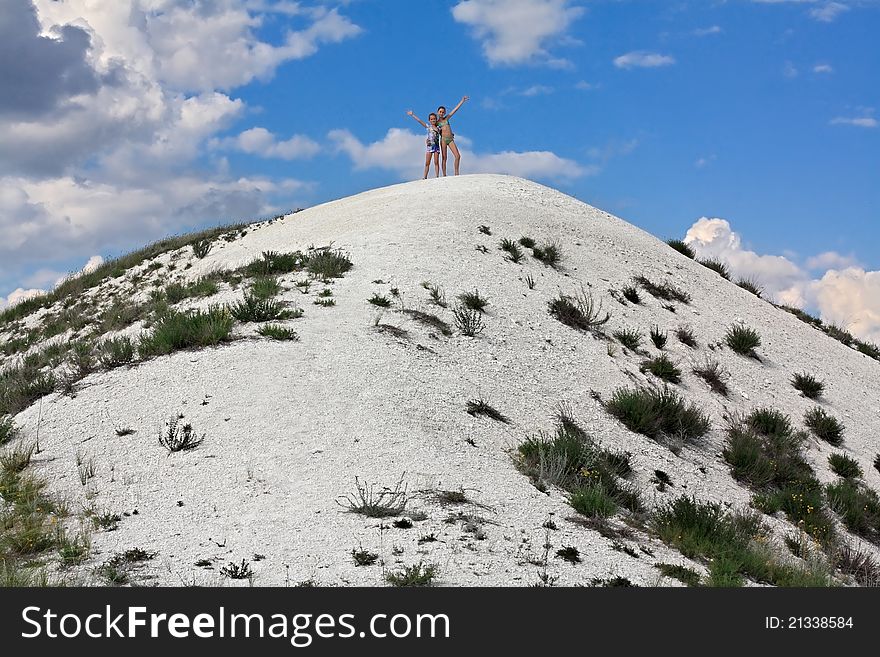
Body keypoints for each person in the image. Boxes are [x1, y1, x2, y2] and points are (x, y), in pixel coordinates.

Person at [437, 96, 469, 176]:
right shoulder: (436, 122)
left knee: (457, 156)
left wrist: (462, 101)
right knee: (444, 158)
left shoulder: (446, 118)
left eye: (443, 112)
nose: (442, 113)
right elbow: (431, 130)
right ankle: (444, 174)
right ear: (438, 112)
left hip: (450, 139)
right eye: (440, 112)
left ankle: (456, 173)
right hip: (443, 140)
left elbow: (455, 110)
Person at [406, 110, 441, 179]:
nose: (433, 120)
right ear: (429, 120)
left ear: (436, 119)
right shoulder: (428, 127)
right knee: (427, 162)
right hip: (430, 147)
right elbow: (420, 121)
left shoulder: (438, 128)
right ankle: (425, 176)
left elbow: (444, 132)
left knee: (436, 162)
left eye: (434, 119)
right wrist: (412, 115)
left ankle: (437, 176)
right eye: (431, 119)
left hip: (436, 147)